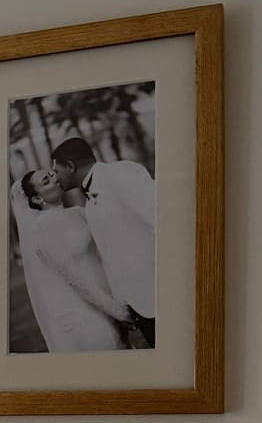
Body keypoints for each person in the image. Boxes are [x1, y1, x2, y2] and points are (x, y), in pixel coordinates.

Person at [47, 134, 156, 344]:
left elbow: (160, 219)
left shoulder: (121, 173)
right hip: (138, 304)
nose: (56, 178)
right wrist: (122, 300)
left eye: (56, 171)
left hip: (159, 293)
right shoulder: (89, 203)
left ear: (70, 166)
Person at [11, 171, 135, 352]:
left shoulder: (77, 212)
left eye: (52, 174)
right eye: (46, 181)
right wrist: (115, 310)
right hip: (86, 312)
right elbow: (73, 277)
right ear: (37, 199)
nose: (55, 178)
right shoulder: (43, 227)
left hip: (107, 295)